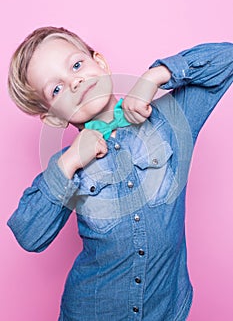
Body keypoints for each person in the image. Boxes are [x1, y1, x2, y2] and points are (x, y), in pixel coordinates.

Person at [7, 26, 233, 321]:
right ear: (52, 116)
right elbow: (29, 235)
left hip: (165, 310)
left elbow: (226, 58)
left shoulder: (171, 121)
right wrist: (70, 161)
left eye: (77, 65)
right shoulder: (67, 166)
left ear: (99, 63)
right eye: (57, 89)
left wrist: (154, 77)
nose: (74, 82)